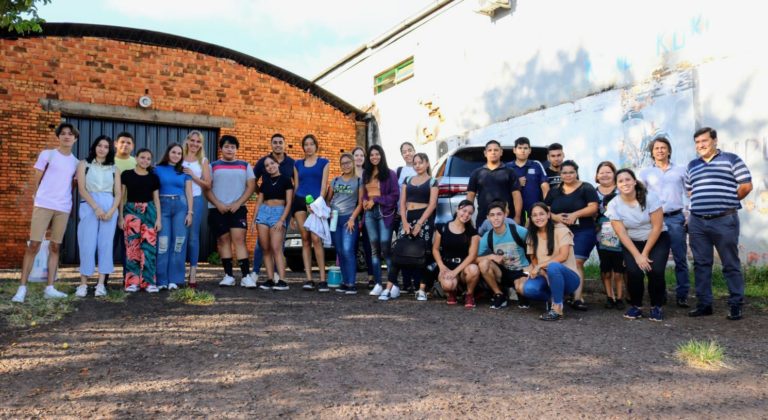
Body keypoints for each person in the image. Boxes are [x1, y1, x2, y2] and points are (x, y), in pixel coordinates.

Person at [685, 127, 753, 320]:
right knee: (701, 264)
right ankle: (704, 304)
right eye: (697, 143)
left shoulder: (732, 159)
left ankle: (735, 304)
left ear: (714, 141)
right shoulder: (692, 165)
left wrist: (729, 201)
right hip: (697, 221)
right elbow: (691, 191)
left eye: (704, 141)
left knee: (730, 263)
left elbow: (746, 185)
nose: (701, 145)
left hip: (725, 220)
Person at [12, 123, 80, 303]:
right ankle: (22, 288)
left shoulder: (76, 162)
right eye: (63, 133)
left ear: (75, 139)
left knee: (55, 246)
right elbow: (37, 178)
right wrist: (37, 196)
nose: (67, 136)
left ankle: (50, 287)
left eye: (70, 134)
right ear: (58, 137)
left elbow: (72, 185)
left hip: (63, 207)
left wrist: (68, 204)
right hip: (43, 204)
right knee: (34, 244)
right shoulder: (47, 154)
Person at [607, 169, 671, 321]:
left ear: (634, 181)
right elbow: (621, 233)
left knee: (655, 271)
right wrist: (637, 256)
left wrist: (645, 254)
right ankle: (636, 306)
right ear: (616, 185)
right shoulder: (613, 205)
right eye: (620, 181)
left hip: (657, 238)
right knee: (634, 272)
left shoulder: (650, 198)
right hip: (632, 242)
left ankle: (656, 306)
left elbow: (657, 227)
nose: (625, 183)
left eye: (628, 179)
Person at [638, 136, 690, 308]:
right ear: (652, 153)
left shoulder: (681, 170)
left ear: (669, 150)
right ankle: (660, 294)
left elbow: (690, 192)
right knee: (656, 259)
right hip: (654, 220)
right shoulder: (645, 173)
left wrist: (688, 213)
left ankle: (682, 295)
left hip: (675, 218)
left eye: (663, 147)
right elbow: (641, 197)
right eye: (656, 148)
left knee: (680, 258)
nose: (660, 150)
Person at [379, 153, 438, 302]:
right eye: (415, 163)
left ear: (427, 164)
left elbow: (432, 205)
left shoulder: (433, 181)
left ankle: (422, 289)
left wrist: (419, 224)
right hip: (407, 218)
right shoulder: (407, 180)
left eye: (420, 162)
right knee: (398, 253)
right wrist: (404, 222)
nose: (417, 165)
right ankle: (388, 289)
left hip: (424, 219)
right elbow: (402, 202)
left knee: (423, 253)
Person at [544, 160, 598, 311]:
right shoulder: (554, 190)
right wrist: (556, 217)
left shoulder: (586, 188)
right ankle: (562, 295)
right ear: (560, 174)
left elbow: (594, 208)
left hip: (582, 230)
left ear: (576, 172)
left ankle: (578, 298)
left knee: (578, 261)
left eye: (571, 172)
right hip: (559, 231)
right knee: (560, 261)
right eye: (564, 172)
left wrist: (575, 214)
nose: (568, 175)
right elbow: (545, 209)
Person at [206, 135, 257, 288]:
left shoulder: (245, 165)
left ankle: (246, 276)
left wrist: (238, 203)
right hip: (217, 209)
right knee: (223, 241)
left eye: (233, 147)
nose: (230, 149)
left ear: (236, 149)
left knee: (239, 240)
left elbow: (251, 187)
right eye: (227, 146)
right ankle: (228, 276)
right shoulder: (212, 166)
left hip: (238, 209)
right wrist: (218, 203)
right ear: (221, 148)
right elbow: (206, 188)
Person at [515, 202, 581, 321]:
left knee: (554, 266)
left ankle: (557, 309)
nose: (538, 218)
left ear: (548, 214)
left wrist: (541, 265)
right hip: (545, 275)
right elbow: (533, 258)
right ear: (531, 218)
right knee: (528, 289)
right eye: (534, 215)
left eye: (541, 214)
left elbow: (563, 256)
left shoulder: (561, 229)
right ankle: (554, 298)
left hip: (568, 277)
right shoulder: (532, 234)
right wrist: (544, 274)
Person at [75, 135, 122, 298]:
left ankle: (101, 284)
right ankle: (83, 284)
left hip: (109, 205)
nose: (102, 149)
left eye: (106, 147)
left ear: (110, 150)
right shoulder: (84, 164)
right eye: (100, 145)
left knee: (106, 244)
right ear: (94, 147)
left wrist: (110, 211)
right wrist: (96, 208)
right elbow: (81, 189)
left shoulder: (114, 169)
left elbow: (118, 194)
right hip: (89, 204)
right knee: (87, 244)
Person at [252, 133, 296, 282]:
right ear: (271, 145)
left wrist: (292, 212)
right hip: (265, 209)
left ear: (284, 144)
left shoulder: (291, 163)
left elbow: (295, 185)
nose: (277, 145)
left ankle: (279, 276)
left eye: (280, 142)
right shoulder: (262, 162)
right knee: (262, 245)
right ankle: (256, 272)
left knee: (278, 244)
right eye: (275, 142)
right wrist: (262, 195)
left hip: (282, 209)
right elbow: (253, 180)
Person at [292, 134, 331, 291]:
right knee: (305, 240)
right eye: (306, 144)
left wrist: (316, 205)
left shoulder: (324, 162)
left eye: (311, 144)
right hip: (300, 202)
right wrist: (291, 214)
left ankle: (322, 279)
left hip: (316, 203)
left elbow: (323, 186)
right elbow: (296, 187)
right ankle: (309, 279)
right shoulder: (298, 164)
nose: (308, 147)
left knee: (316, 239)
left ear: (316, 146)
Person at [120, 148, 161, 293]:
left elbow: (156, 199)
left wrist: (159, 219)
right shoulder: (126, 175)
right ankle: (132, 282)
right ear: (136, 158)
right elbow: (122, 197)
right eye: (142, 157)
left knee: (149, 248)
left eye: (148, 159)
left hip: (149, 211)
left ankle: (149, 282)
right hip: (131, 211)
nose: (145, 161)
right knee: (132, 247)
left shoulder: (153, 177)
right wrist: (120, 217)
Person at [476, 201, 530, 310]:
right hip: (503, 272)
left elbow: (535, 246)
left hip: (522, 270)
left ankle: (520, 292)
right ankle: (499, 294)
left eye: (499, 214)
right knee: (483, 264)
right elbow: (474, 258)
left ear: (505, 215)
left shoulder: (518, 230)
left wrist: (533, 266)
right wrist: (490, 256)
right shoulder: (488, 236)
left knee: (522, 289)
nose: (496, 218)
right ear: (488, 218)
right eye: (492, 215)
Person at [362, 145, 400, 296]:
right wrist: (365, 200)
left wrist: (376, 200)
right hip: (369, 214)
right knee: (374, 250)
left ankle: (393, 285)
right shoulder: (366, 173)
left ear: (381, 156)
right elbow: (365, 193)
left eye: (377, 154)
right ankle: (378, 284)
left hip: (384, 213)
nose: (374, 157)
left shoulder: (390, 174)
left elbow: (395, 195)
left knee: (385, 248)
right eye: (371, 155)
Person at [155, 143, 193, 289]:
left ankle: (175, 280)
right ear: (168, 153)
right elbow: (154, 192)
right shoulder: (157, 169)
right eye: (173, 152)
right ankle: (161, 280)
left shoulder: (185, 172)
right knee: (163, 244)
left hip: (181, 208)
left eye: (179, 153)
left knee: (178, 243)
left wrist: (190, 212)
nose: (176, 155)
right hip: (163, 206)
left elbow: (189, 192)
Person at [432, 199, 481, 307]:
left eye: (470, 213)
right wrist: (441, 266)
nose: (466, 214)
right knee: (448, 285)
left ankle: (469, 294)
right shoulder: (442, 227)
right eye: (464, 211)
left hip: (464, 268)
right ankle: (452, 292)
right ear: (457, 209)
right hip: (447, 265)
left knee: (474, 269)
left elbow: (472, 255)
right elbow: (435, 249)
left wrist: (455, 272)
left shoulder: (472, 232)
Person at [328, 153, 363, 294]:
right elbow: (328, 200)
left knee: (348, 250)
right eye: (343, 163)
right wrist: (328, 210)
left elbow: (360, 203)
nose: (346, 165)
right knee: (340, 250)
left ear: (353, 163)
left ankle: (351, 283)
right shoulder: (335, 180)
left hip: (349, 219)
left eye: (348, 162)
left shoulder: (359, 181)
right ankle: (344, 282)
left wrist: (352, 218)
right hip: (334, 219)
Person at [466, 140, 523, 228]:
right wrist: (468, 216)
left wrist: (517, 216)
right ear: (485, 153)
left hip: (506, 218)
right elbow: (470, 196)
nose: (493, 152)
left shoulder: (510, 172)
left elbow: (516, 195)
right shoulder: (477, 173)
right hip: (483, 218)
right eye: (490, 150)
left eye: (496, 150)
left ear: (501, 152)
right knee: (484, 241)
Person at [181, 130, 211, 288]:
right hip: (179, 200)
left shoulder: (203, 161)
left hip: (197, 200)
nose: (194, 144)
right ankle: (177, 273)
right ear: (187, 141)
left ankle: (192, 274)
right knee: (179, 237)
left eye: (198, 142)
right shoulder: (179, 157)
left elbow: (208, 184)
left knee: (193, 237)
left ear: (201, 144)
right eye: (192, 140)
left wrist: (193, 175)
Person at [594, 161, 625, 309]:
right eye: (602, 172)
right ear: (597, 175)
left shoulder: (622, 190)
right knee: (605, 266)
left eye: (608, 172)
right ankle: (609, 296)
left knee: (620, 268)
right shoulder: (593, 192)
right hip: (601, 235)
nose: (605, 175)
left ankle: (621, 297)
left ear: (614, 174)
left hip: (621, 235)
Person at [109, 132, 136, 286]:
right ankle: (103, 280)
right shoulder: (109, 161)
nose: (125, 145)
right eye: (122, 142)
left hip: (130, 210)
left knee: (129, 247)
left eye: (128, 143)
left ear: (132, 146)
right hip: (110, 208)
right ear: (116, 144)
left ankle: (128, 279)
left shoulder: (135, 162)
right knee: (109, 244)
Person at [508, 137, 549, 224]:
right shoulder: (507, 167)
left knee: (532, 236)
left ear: (529, 150)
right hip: (512, 211)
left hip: (534, 212)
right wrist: (516, 183)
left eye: (525, 148)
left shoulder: (536, 165)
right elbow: (502, 187)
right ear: (514, 150)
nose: (523, 151)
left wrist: (547, 206)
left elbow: (545, 186)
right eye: (520, 148)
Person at [395, 141, 418, 293]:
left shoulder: (421, 168)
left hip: (417, 214)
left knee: (417, 248)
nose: (407, 153)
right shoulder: (399, 171)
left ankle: (417, 283)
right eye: (404, 151)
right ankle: (406, 282)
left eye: (410, 150)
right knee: (403, 248)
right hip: (401, 214)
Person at [352, 146, 374, 287]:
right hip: (351, 213)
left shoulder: (369, 174)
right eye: (356, 155)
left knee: (368, 245)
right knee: (351, 246)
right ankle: (350, 277)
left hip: (367, 213)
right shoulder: (347, 174)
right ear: (352, 157)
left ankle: (371, 277)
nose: (359, 157)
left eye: (361, 155)